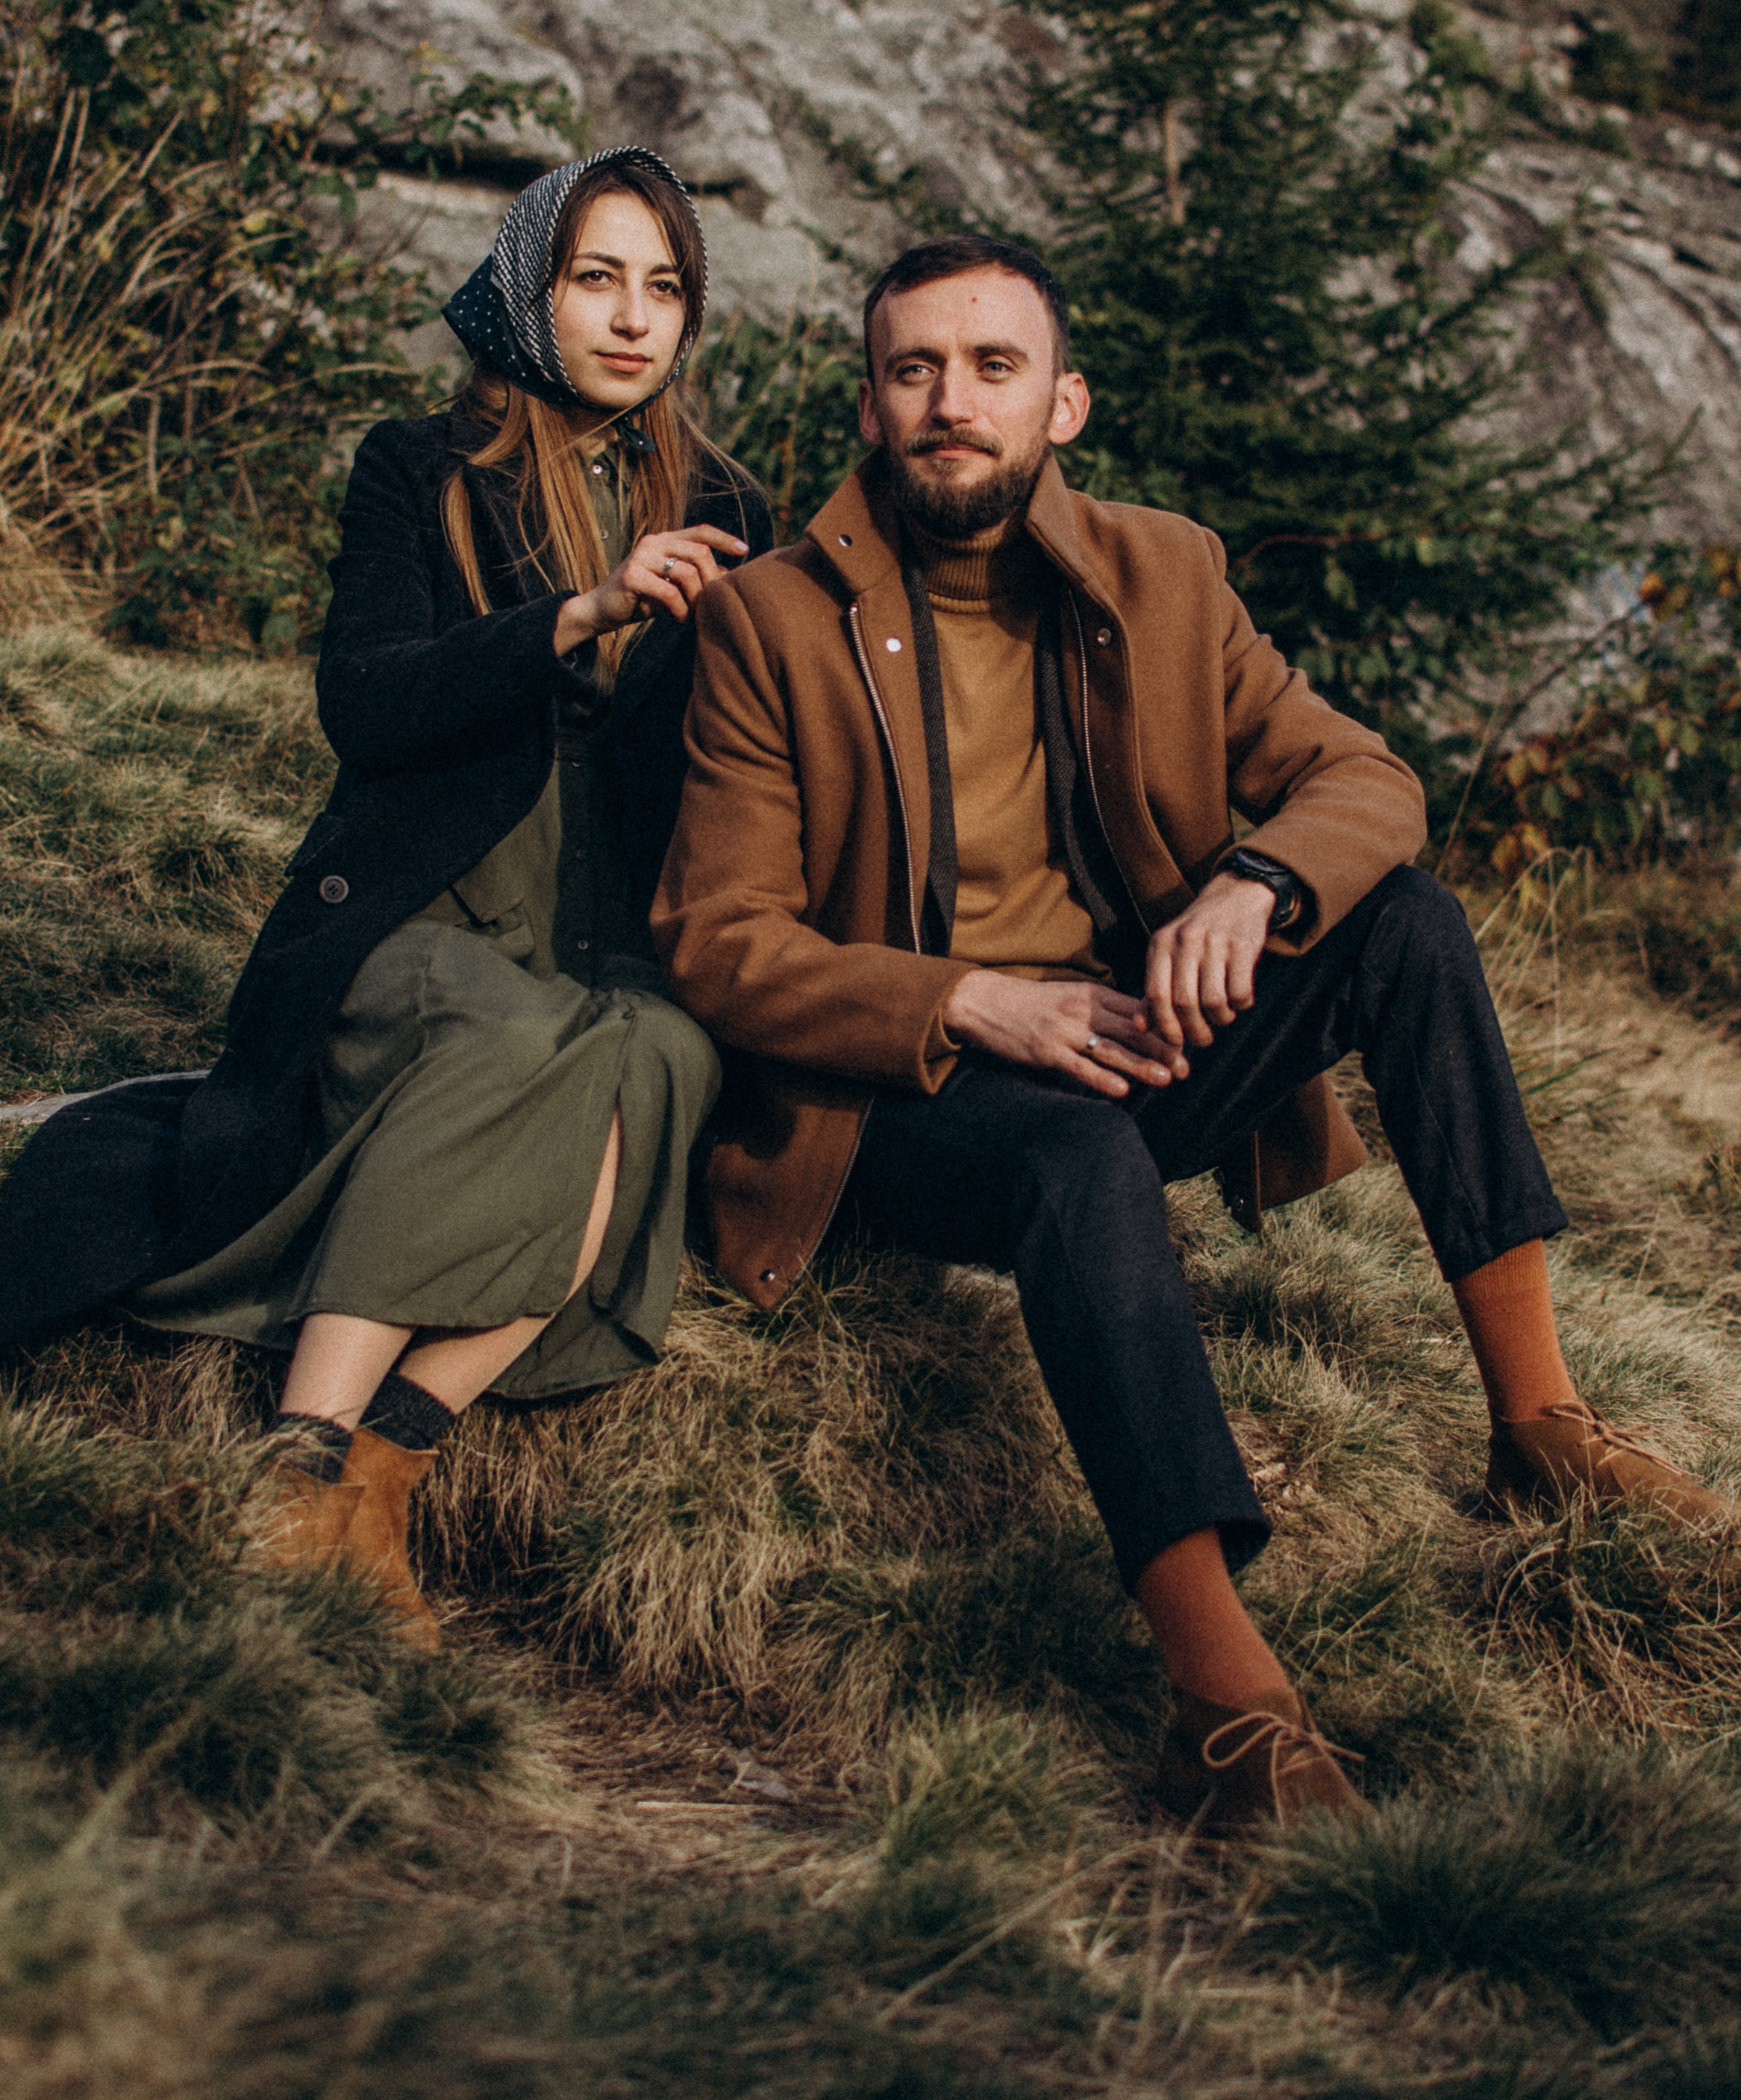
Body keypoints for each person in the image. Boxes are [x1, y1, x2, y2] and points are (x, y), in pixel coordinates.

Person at [652, 231, 1735, 1834]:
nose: (954, 403)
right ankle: (1228, 1706)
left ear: (1064, 403)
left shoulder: (1165, 573)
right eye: (915, 371)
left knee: (1410, 920)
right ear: (871, 407)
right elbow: (718, 940)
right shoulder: (770, 622)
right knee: (1077, 1149)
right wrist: (965, 996)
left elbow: (1367, 779)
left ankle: (1539, 1427)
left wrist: (1258, 879)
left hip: (1126, 1033)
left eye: (993, 368)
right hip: (900, 1100)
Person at [0, 147, 771, 1649]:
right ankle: (293, 1469)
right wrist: (583, 611)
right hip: (425, 911)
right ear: (526, 285)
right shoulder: (422, 470)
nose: (631, 318)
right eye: (595, 276)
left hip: (615, 927)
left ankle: (381, 1477)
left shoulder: (735, 501)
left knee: (665, 1055)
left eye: (663, 287)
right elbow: (365, 703)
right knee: (509, 1043)